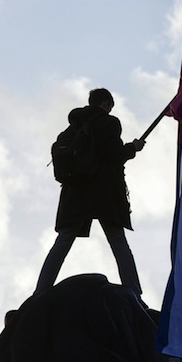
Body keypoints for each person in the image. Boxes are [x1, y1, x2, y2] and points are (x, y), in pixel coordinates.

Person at [35, 88, 146, 300]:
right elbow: (114, 155)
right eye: (109, 106)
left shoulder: (70, 130)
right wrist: (133, 148)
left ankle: (40, 291)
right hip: (104, 193)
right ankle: (134, 292)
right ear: (105, 104)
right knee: (117, 240)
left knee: (64, 240)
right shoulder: (109, 123)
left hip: (75, 194)